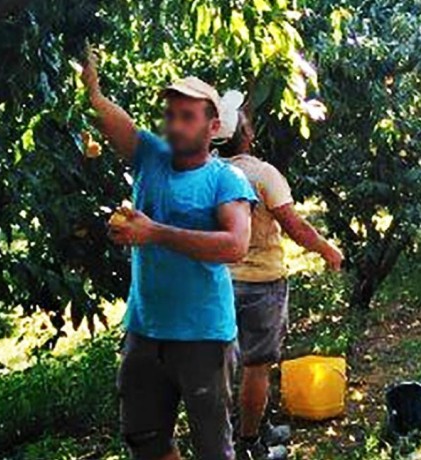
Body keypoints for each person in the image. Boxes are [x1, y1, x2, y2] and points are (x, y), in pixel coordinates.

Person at [82, 51, 257, 460]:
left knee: (212, 447)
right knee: (145, 439)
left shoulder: (225, 178)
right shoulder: (150, 157)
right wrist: (89, 83)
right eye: (170, 114)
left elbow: (235, 245)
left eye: (187, 116)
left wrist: (153, 232)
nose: (174, 124)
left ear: (213, 127)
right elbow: (103, 113)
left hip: (203, 335)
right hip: (145, 331)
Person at [213, 93, 343, 460]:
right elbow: (296, 227)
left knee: (224, 367)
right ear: (247, 135)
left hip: (218, 282)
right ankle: (250, 444)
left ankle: (257, 427)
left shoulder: (207, 173)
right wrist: (328, 251)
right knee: (257, 367)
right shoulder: (262, 173)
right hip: (261, 283)